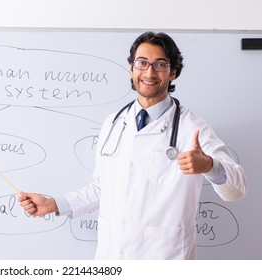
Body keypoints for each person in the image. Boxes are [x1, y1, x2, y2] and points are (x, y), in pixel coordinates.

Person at [19, 31, 247, 260]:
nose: (149, 72)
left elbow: (237, 189)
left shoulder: (191, 127)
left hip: (165, 257)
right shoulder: (114, 123)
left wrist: (208, 165)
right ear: (131, 68)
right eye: (142, 63)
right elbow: (102, 188)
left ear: (173, 73)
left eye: (160, 64)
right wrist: (53, 204)